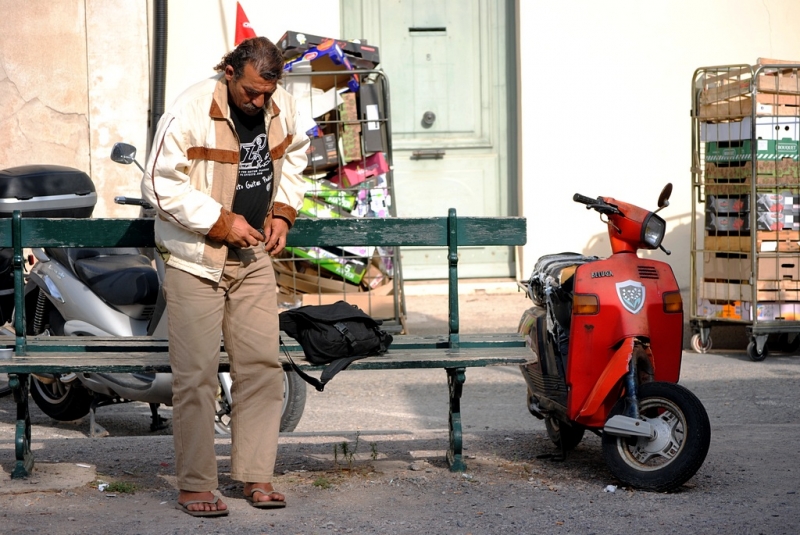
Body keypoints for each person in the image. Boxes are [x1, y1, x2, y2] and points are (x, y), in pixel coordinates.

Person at [141, 37, 308, 517]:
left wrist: (282, 212)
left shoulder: (282, 106)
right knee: (195, 377)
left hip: (254, 256)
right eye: (252, 92)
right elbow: (156, 183)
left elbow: (296, 155)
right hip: (197, 258)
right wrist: (220, 220)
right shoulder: (189, 108)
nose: (259, 102)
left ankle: (256, 476)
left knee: (262, 368)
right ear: (230, 72)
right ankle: (195, 486)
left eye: (267, 94)